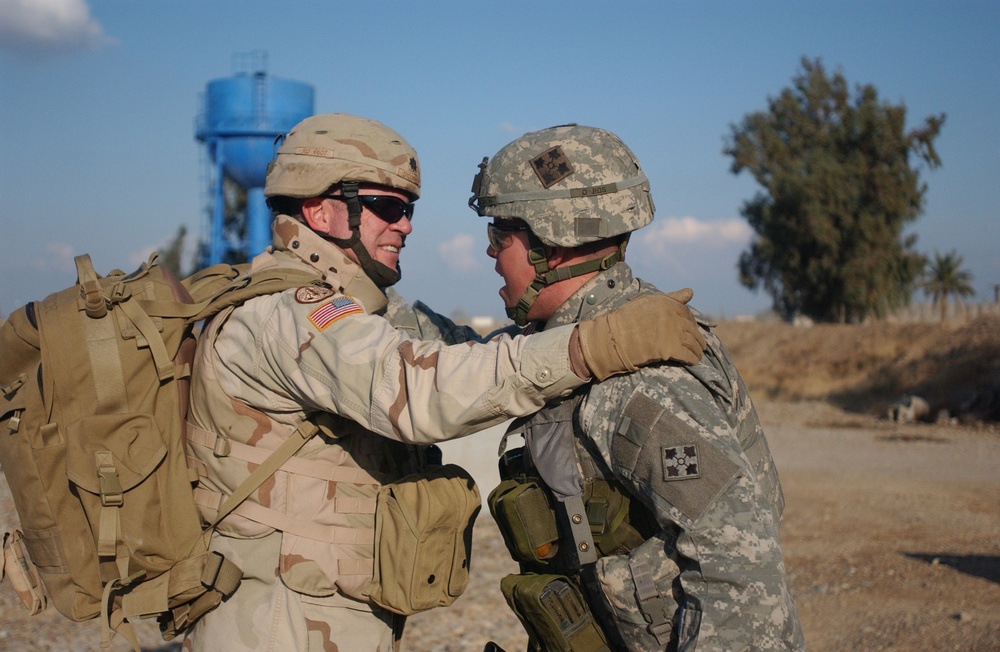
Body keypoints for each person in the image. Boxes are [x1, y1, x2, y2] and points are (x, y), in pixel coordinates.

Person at [182, 113, 707, 652]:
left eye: (407, 210)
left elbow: (456, 353)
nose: (405, 225)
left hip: (311, 609)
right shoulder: (290, 311)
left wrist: (572, 319)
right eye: (386, 207)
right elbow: (417, 391)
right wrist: (598, 345)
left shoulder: (347, 310)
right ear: (319, 210)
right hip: (276, 623)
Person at [469, 124, 804, 651]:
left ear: (550, 246)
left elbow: (737, 568)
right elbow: (456, 361)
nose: (490, 254)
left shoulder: (637, 379)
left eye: (499, 237)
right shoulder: (587, 337)